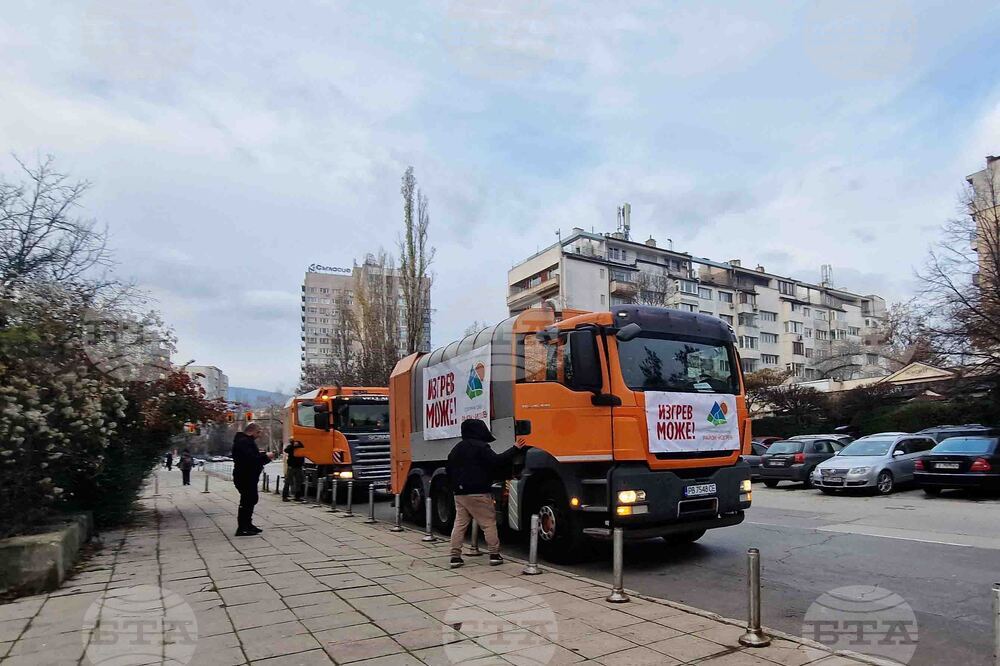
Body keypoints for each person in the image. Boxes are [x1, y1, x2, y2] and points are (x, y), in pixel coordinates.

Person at [446, 419, 525, 568]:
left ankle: (455, 557)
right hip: (479, 492)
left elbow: (448, 470)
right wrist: (514, 448)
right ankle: (494, 555)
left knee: (460, 524)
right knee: (488, 523)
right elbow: (497, 461)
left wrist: (456, 486)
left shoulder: (456, 449)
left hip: (460, 493)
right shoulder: (481, 447)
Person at [232, 423, 273, 536]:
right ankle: (242, 527)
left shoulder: (246, 441)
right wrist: (266, 457)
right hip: (245, 476)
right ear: (251, 431)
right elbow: (251, 460)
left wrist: (262, 456)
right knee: (247, 500)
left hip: (248, 476)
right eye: (258, 432)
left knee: (251, 499)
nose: (259, 435)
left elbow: (252, 457)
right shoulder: (244, 442)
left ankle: (248, 524)